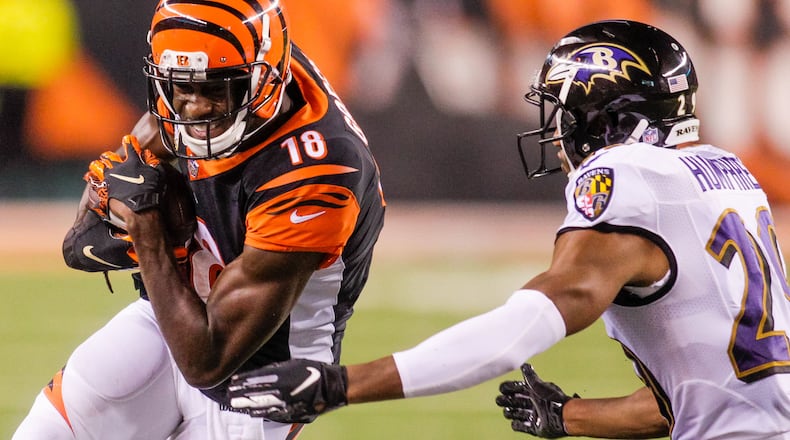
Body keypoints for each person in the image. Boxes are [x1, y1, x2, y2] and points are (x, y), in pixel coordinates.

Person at [225, 19, 790, 439]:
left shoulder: (626, 175)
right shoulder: (729, 176)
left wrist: (341, 385)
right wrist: (569, 417)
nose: (556, 134)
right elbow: (706, 394)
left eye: (564, 115)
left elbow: (525, 325)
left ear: (607, 121)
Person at [12, 0, 385, 439]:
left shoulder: (317, 174)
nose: (194, 109)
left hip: (259, 374)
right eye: (179, 88)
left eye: (214, 90)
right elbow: (86, 229)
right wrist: (123, 196)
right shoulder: (230, 64)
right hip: (171, 315)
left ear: (264, 80)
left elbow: (207, 361)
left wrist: (147, 232)